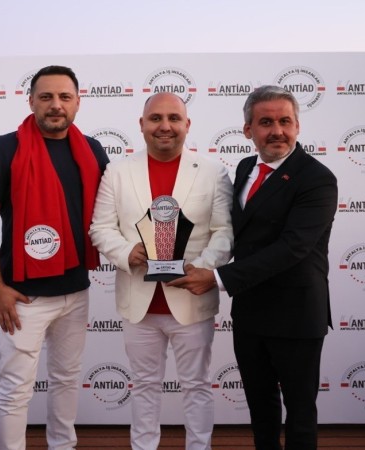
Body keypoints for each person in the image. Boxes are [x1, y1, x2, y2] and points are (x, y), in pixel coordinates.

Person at [168, 85, 338, 450]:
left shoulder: (317, 178)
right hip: (250, 313)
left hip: (296, 316)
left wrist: (216, 277)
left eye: (285, 121)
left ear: (297, 126)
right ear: (248, 130)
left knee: (300, 413)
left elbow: (293, 247)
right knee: (261, 410)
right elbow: (228, 230)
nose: (277, 131)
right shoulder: (245, 168)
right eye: (266, 122)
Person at [0, 65, 109, 450]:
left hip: (76, 291)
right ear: (31, 101)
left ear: (78, 102)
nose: (55, 105)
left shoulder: (93, 150)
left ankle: (63, 446)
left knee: (67, 379)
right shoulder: (5, 149)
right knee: (15, 388)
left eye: (65, 97)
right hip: (23, 296)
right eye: (46, 97)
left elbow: (111, 213)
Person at [89, 92, 233, 450]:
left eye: (173, 118)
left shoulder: (213, 172)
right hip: (139, 304)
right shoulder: (117, 172)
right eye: (155, 118)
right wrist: (128, 252)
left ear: (187, 124)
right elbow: (101, 228)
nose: (164, 126)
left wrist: (201, 269)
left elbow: (225, 231)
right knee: (144, 386)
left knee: (197, 385)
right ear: (142, 124)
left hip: (192, 300)